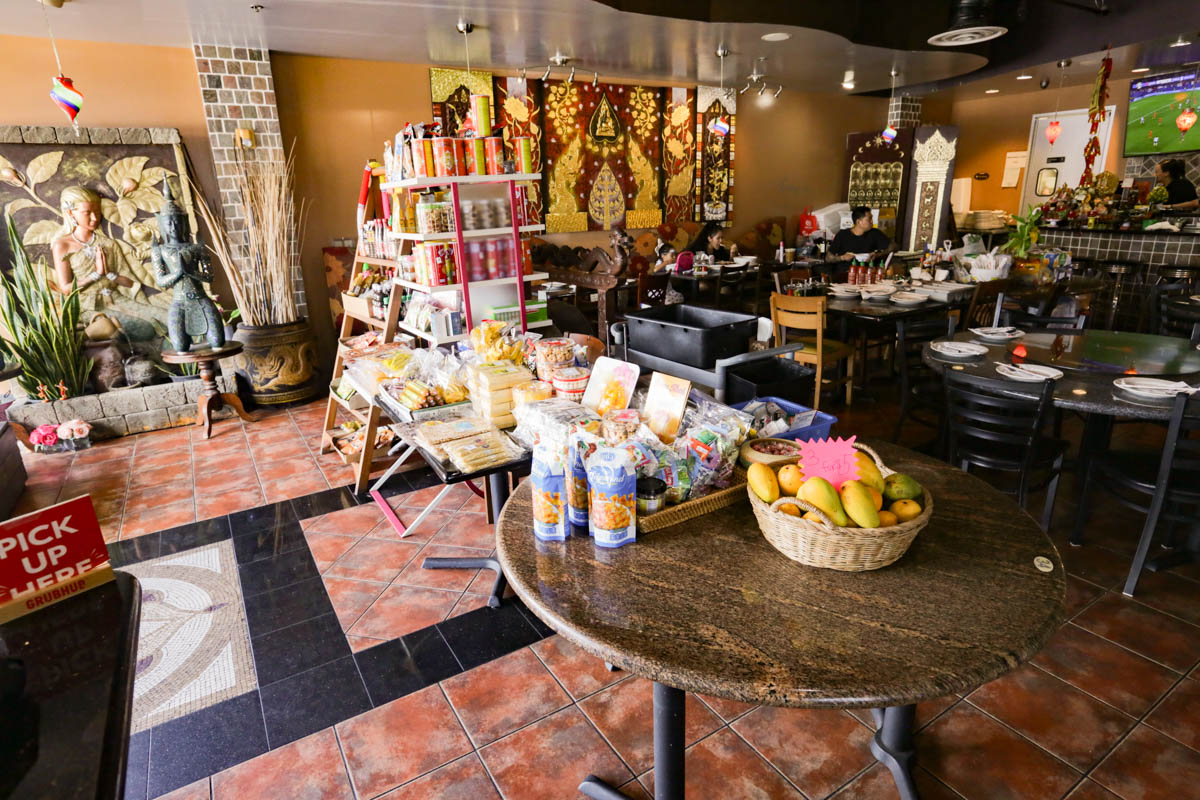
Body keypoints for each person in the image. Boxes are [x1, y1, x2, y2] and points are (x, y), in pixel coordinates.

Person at [830, 206, 895, 261]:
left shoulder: (874, 233)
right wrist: (842, 257)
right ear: (858, 222)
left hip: (867, 272)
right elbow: (828, 258)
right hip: (845, 272)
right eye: (869, 219)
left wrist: (878, 255)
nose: (872, 221)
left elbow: (894, 247)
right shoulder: (842, 235)